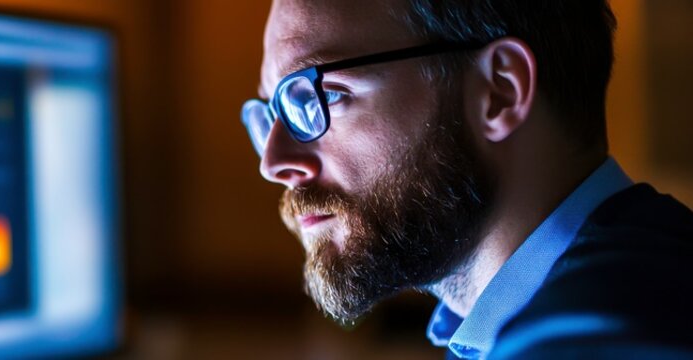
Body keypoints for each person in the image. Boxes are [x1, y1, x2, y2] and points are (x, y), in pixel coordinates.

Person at [241, 0, 693, 358]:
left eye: (323, 96)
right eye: (271, 114)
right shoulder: (651, 260)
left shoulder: (596, 338)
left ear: (500, 90)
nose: (274, 161)